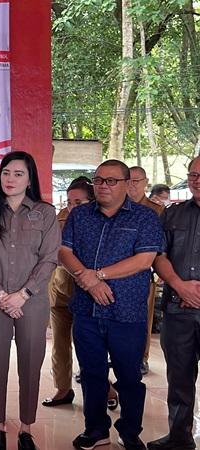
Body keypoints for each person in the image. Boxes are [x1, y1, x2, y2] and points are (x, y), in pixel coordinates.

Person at [60, 160, 163, 450]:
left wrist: (100, 274)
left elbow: (145, 260)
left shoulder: (144, 217)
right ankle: (96, 430)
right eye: (99, 180)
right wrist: (90, 281)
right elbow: (64, 251)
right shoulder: (80, 215)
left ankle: (129, 431)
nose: (103, 185)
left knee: (129, 375)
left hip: (125, 311)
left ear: (127, 183)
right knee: (91, 374)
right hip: (86, 310)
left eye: (111, 181)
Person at [0, 151, 59, 450]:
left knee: (30, 362)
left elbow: (49, 260)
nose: (10, 179)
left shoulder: (46, 213)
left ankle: (26, 427)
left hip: (31, 302)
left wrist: (21, 295)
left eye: (18, 174)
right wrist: (0, 294)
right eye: (6, 173)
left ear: (30, 178)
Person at [147, 157, 200, 450]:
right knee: (179, 378)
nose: (196, 180)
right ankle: (180, 438)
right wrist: (180, 285)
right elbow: (158, 255)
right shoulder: (173, 214)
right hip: (178, 308)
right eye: (192, 174)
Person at [42, 177, 94, 407]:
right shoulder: (60, 217)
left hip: (87, 290)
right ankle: (63, 389)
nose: (72, 207)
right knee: (60, 344)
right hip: (60, 288)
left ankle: (106, 391)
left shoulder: (99, 221)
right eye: (70, 201)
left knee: (88, 344)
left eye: (79, 202)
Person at [128, 166, 165, 375]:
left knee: (144, 317)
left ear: (146, 182)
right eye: (129, 181)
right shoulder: (113, 207)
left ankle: (142, 357)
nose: (132, 186)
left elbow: (163, 246)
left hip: (145, 272)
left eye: (136, 181)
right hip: (113, 273)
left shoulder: (157, 210)